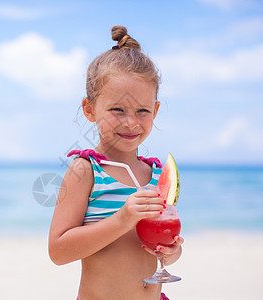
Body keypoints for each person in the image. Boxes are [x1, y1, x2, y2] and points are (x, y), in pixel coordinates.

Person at [48, 25, 184, 300]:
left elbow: (158, 247)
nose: (130, 122)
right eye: (117, 109)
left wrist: (172, 252)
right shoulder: (86, 171)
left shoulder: (156, 174)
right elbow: (58, 252)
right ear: (90, 109)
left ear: (155, 111)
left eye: (142, 111)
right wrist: (122, 219)